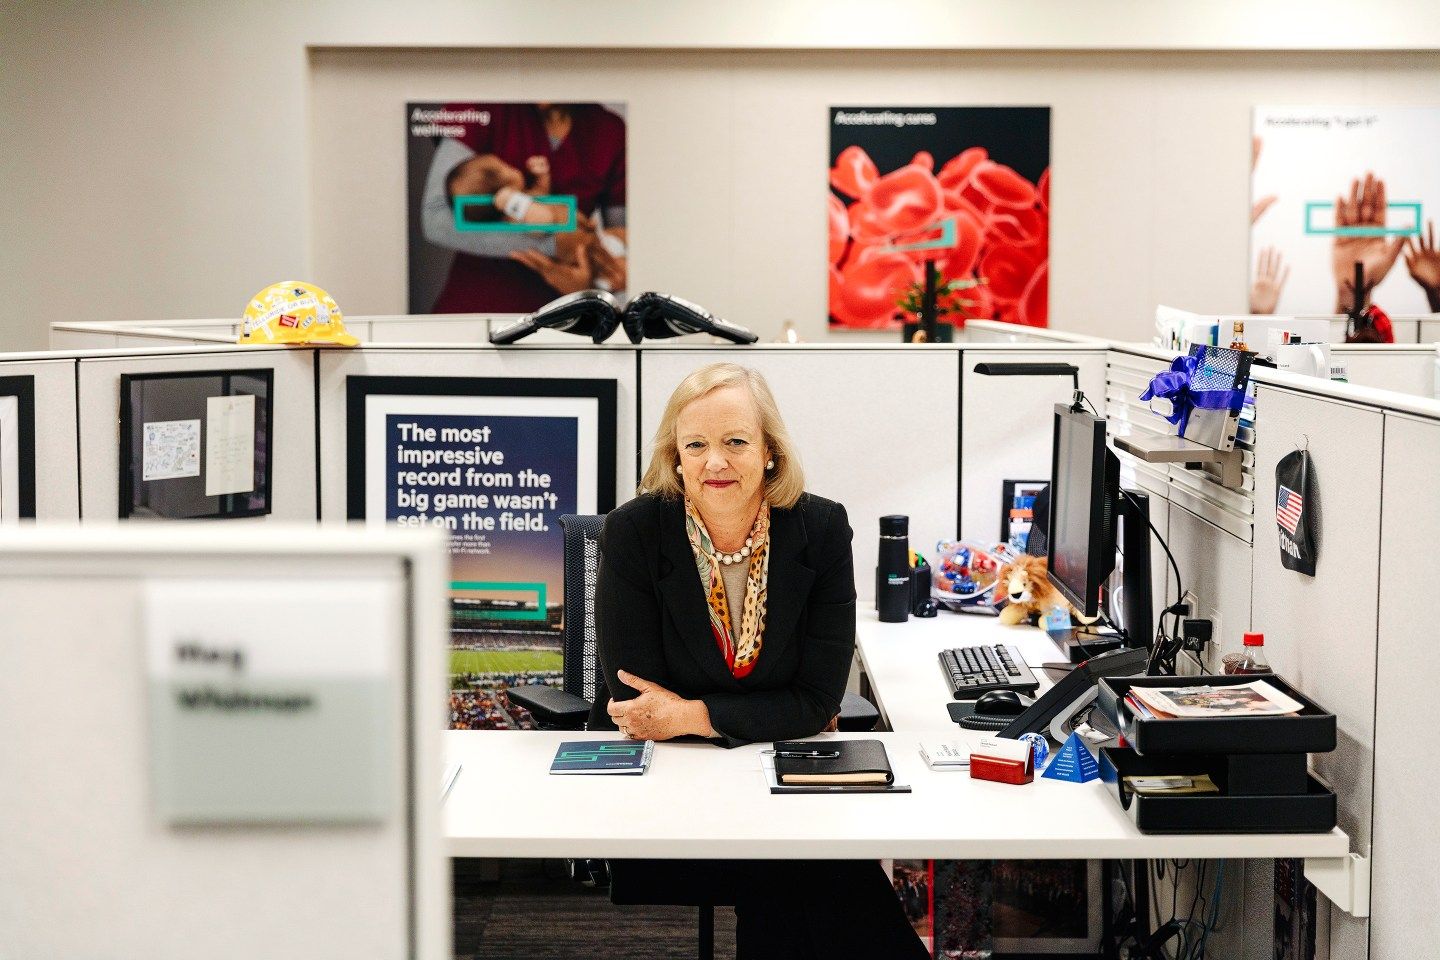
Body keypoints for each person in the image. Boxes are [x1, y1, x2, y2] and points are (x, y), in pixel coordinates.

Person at [588, 362, 927, 959]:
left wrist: (693, 715)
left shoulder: (820, 529)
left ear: (770, 451)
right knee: (819, 875)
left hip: (770, 779)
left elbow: (819, 701)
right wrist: (766, 712)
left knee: (806, 874)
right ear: (675, 457)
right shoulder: (635, 531)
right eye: (695, 445)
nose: (714, 462)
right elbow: (632, 700)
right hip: (674, 791)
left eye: (735, 442)